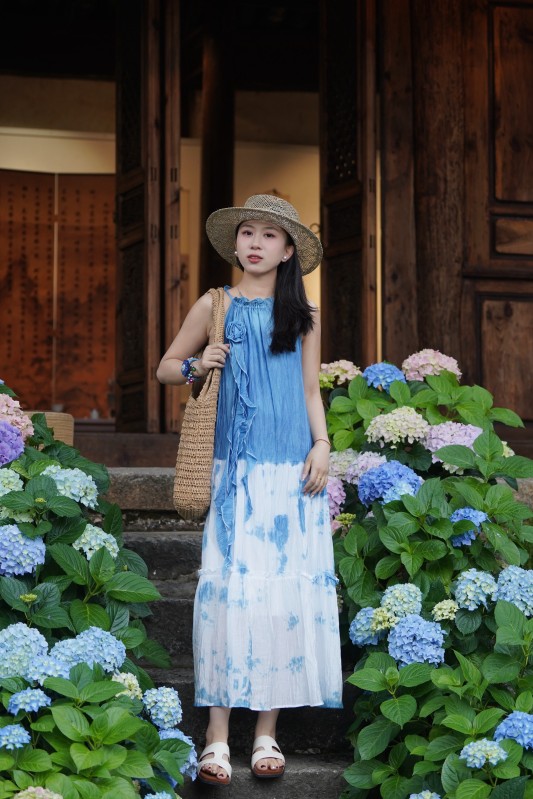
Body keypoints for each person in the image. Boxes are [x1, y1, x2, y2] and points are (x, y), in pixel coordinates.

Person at [157, 194, 342, 785]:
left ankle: (266, 732)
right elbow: (166, 366)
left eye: (268, 235)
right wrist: (199, 363)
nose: (255, 243)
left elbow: (310, 390)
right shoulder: (216, 304)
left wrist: (322, 445)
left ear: (288, 252)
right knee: (228, 592)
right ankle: (216, 738)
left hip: (290, 475)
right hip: (233, 471)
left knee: (279, 598)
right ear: (236, 244)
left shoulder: (304, 317)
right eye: (247, 233)